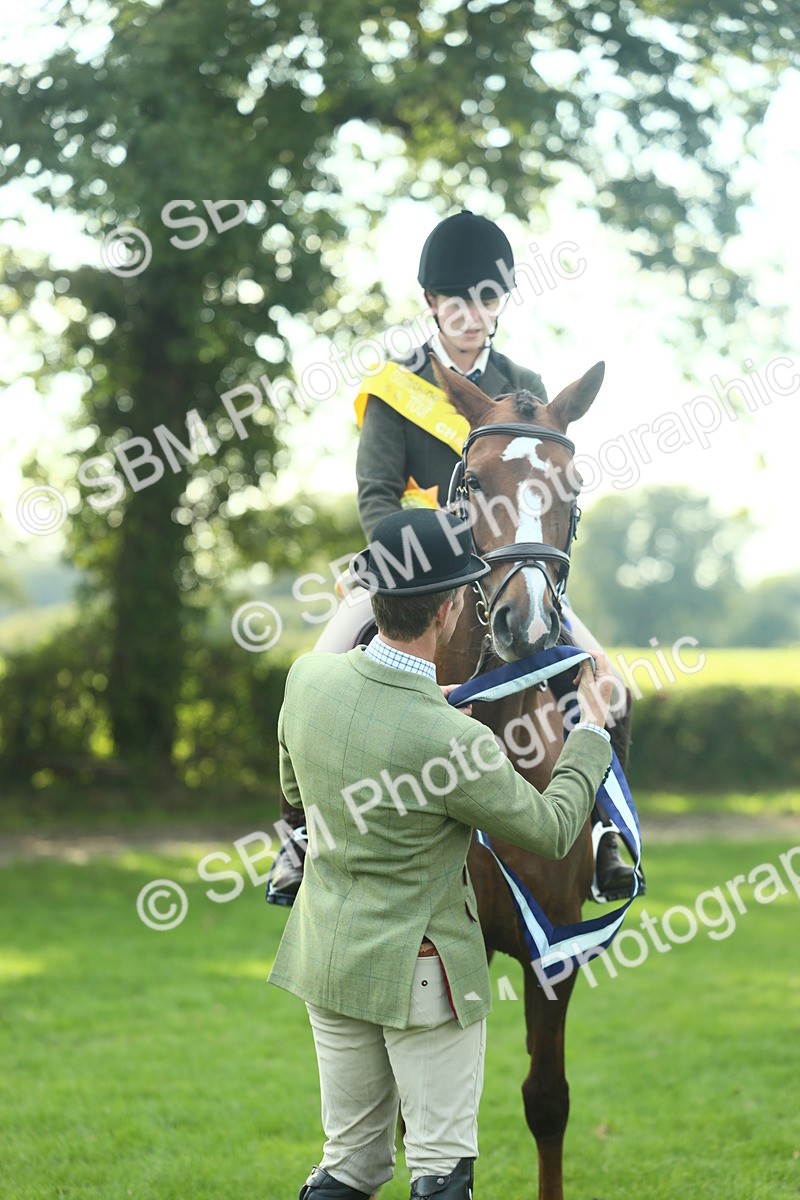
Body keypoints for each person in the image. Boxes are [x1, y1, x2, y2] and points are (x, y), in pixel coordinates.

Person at [269, 508, 616, 1200]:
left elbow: (293, 790)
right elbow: (550, 829)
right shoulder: (455, 742)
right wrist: (592, 734)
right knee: (441, 1173)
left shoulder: (307, 681)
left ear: (375, 600)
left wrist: (427, 711)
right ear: (454, 607)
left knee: (350, 1166)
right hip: (424, 977)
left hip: (328, 963)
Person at [313, 209, 637, 900]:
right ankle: (300, 835)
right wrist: (438, 555)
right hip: (405, 567)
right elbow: (375, 499)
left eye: (485, 299)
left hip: (508, 567)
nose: (470, 313)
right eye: (456, 301)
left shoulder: (523, 379)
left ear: (500, 304)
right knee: (321, 662)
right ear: (431, 301)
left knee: (612, 681)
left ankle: (606, 831)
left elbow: (541, 488)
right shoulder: (394, 387)